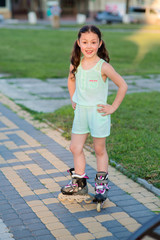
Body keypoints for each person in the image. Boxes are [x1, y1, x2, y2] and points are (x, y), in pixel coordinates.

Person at [60, 25, 128, 202]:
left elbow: (123, 85)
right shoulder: (76, 63)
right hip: (81, 112)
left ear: (99, 44)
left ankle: (101, 184)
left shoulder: (103, 67)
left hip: (98, 114)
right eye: (85, 42)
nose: (88, 46)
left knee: (99, 150)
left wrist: (112, 107)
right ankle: (80, 182)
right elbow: (71, 80)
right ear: (78, 43)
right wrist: (73, 98)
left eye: (93, 42)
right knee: (75, 147)